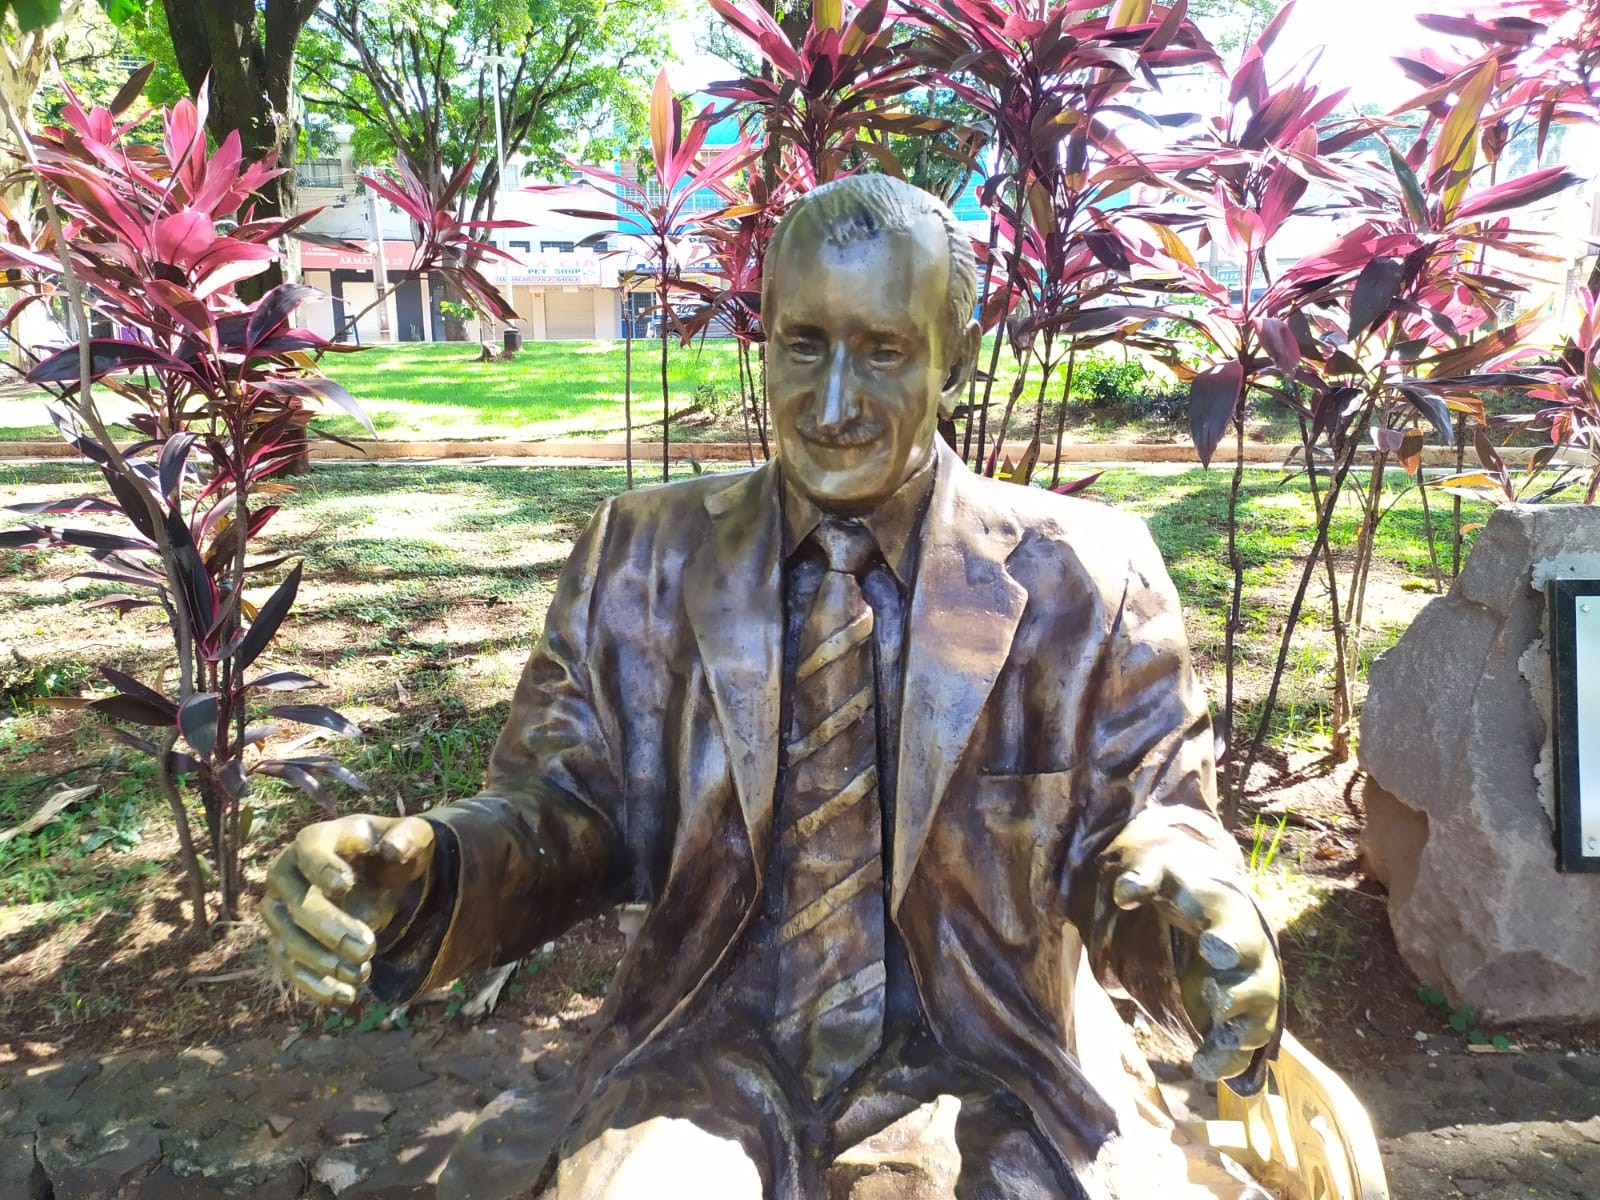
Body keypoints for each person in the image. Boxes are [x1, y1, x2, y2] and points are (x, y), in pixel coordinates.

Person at [260, 175, 1282, 1200]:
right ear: (765, 340)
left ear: (954, 359)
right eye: (803, 345)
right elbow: (567, 812)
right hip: (704, 1048)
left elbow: (1152, 830)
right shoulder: (638, 558)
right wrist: (428, 871)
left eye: (882, 352)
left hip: (990, 1064)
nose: (833, 406)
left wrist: (1205, 920)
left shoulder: (1088, 575)